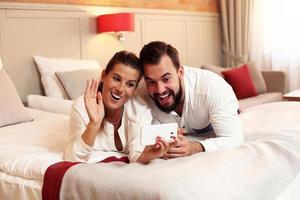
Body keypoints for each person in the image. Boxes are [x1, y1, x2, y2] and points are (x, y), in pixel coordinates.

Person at [138, 41, 244, 160]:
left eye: (166, 79)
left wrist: (195, 147)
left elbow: (234, 139)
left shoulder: (212, 88)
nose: (160, 90)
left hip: (219, 104)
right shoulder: (142, 94)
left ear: (180, 72)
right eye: (151, 82)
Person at [64, 51, 169, 163]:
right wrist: (93, 125)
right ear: (104, 75)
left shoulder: (139, 109)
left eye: (130, 84)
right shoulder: (82, 106)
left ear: (135, 89)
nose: (120, 89)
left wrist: (151, 154)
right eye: (116, 79)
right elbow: (72, 158)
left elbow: (137, 155)